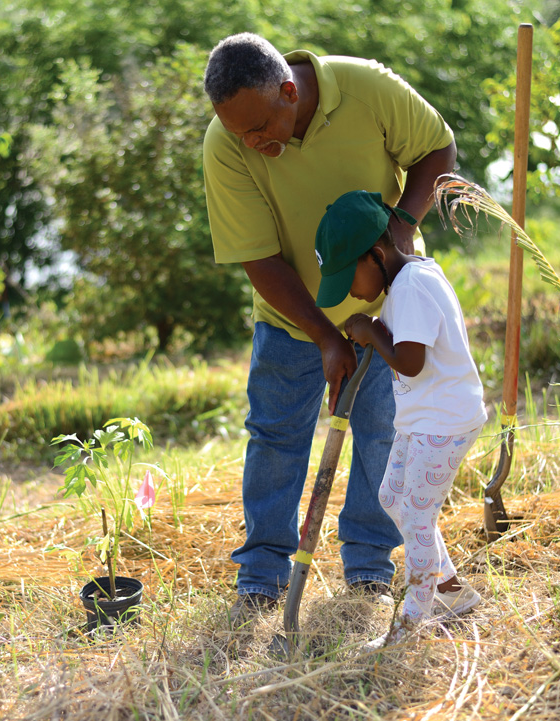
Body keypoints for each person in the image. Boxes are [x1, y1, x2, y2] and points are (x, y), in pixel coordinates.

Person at [201, 32, 460, 623]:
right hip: (292, 317)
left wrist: (400, 228)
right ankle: (261, 576)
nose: (251, 142)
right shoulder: (227, 142)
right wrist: (324, 335)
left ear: (289, 92)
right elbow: (258, 257)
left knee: (381, 435)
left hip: (386, 309)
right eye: (240, 133)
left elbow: (437, 149)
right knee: (275, 439)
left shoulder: (366, 89)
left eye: (259, 128)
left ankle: (369, 570)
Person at [314, 189, 487, 646]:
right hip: (421, 419)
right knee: (392, 497)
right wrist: (372, 327)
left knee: (415, 516)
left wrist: (372, 330)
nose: (351, 292)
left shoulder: (411, 287)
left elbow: (410, 362)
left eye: (350, 278)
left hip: (444, 421)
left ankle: (411, 621)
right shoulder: (407, 281)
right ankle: (450, 590)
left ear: (375, 254)